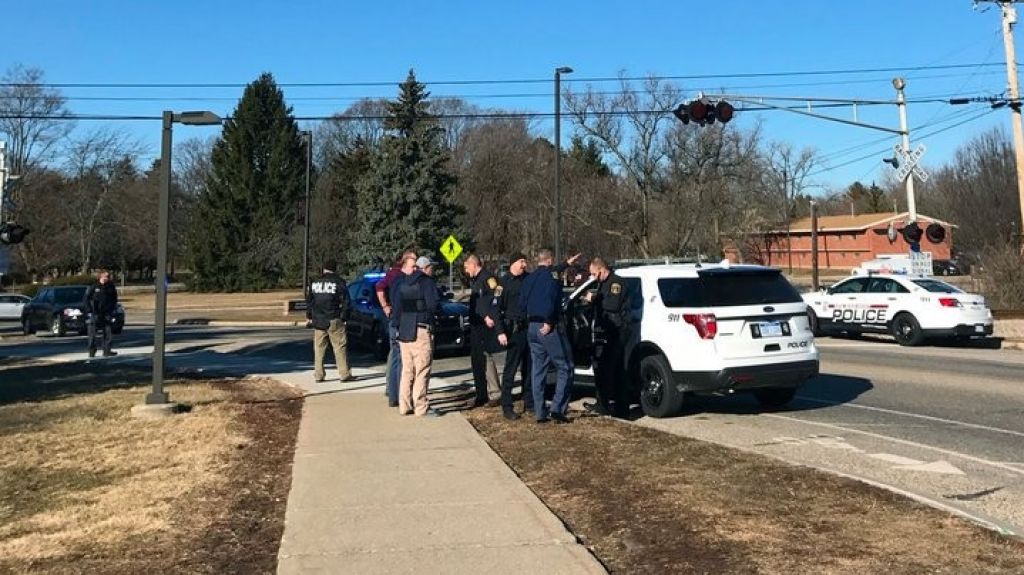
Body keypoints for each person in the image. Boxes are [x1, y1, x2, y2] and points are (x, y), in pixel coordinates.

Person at [519, 248, 573, 424]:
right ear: (549, 260)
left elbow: (522, 303)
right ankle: (557, 408)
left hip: (532, 327)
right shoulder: (552, 277)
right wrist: (549, 321)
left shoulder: (529, 279)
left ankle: (540, 412)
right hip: (547, 327)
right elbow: (553, 299)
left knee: (538, 370)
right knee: (565, 366)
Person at [392, 255, 441, 417]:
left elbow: (396, 308)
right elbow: (434, 305)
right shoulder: (426, 283)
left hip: (404, 330)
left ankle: (404, 405)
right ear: (423, 268)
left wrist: (397, 326)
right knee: (422, 369)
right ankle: (421, 407)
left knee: (407, 370)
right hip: (421, 329)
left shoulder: (400, 283)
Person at [584, 257, 632, 417]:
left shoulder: (615, 283)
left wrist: (594, 299)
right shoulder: (602, 283)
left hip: (615, 333)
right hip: (605, 330)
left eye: (593, 273)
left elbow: (612, 305)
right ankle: (602, 403)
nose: (592, 277)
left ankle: (620, 408)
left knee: (616, 370)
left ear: (601, 270)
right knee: (602, 369)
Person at [493, 254, 532, 420]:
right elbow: (495, 309)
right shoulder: (503, 283)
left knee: (529, 368)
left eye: (525, 261)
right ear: (513, 263)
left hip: (528, 328)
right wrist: (500, 331)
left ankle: (529, 402)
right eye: (521, 261)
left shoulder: (529, 279)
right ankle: (507, 405)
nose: (524, 264)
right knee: (510, 369)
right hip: (513, 331)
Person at [376, 249, 417, 407]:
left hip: (397, 320)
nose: (415, 266)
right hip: (399, 320)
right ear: (405, 261)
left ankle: (394, 394)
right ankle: (398, 395)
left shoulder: (398, 275)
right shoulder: (396, 275)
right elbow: (379, 287)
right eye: (413, 261)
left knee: (395, 356)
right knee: (400, 357)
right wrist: (385, 306)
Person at [463, 254, 502, 408]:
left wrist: (490, 314)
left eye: (466, 267)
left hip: (485, 325)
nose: (466, 271)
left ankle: (495, 393)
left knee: (486, 357)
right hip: (475, 324)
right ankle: (481, 394)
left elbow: (498, 293)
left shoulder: (488, 278)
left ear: (473, 264)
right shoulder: (476, 280)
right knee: (477, 360)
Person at [306, 260, 352, 383]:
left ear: (324, 269)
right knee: (339, 347)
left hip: (318, 320)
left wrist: (309, 316)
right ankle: (344, 373)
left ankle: (318, 375)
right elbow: (347, 301)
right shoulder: (339, 282)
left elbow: (310, 301)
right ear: (335, 269)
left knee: (319, 349)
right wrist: (344, 317)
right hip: (334, 318)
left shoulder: (315, 282)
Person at [86, 270, 118, 358]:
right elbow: (87, 299)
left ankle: (107, 350)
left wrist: (112, 310)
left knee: (108, 333)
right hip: (95, 313)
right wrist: (89, 310)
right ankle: (92, 351)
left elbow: (114, 299)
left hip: (106, 313)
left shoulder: (110, 287)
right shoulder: (94, 286)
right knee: (92, 334)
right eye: (105, 276)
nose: (107, 278)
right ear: (101, 276)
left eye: (108, 276)